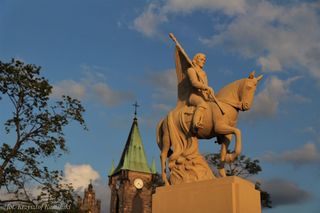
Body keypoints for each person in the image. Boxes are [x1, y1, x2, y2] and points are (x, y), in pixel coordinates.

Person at [187, 53, 214, 132]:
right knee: (202, 103)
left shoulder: (203, 73)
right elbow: (194, 83)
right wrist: (206, 87)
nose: (203, 61)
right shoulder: (191, 70)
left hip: (202, 95)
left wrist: (209, 93)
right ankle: (195, 124)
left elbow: (206, 86)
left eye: (204, 60)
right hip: (193, 96)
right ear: (195, 60)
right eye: (201, 59)